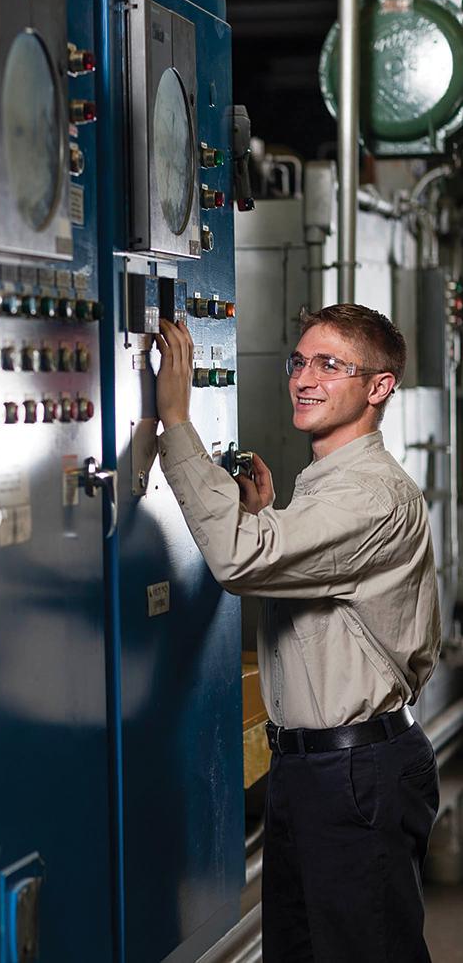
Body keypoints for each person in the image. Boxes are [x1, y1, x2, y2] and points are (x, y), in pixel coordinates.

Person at [155, 302, 441, 963]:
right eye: (300, 362)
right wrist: (264, 518)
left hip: (352, 775)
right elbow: (307, 586)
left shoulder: (372, 494)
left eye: (331, 365)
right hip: (313, 771)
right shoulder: (330, 485)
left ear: (379, 386)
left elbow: (239, 558)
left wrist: (175, 420)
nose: (305, 379)